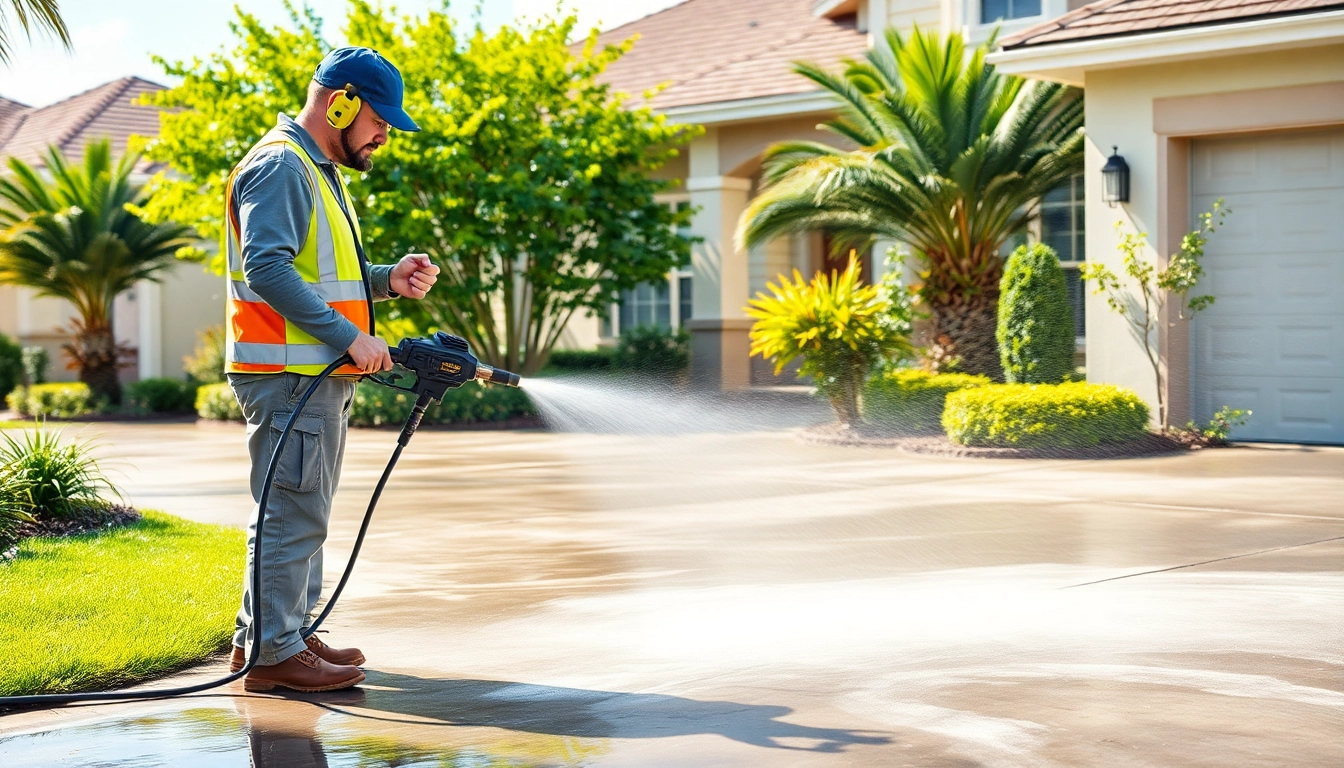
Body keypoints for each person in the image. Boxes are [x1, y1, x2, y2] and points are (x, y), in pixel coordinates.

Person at [223, 46, 439, 692]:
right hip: (291, 374)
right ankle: (273, 654)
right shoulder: (283, 166)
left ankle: (273, 634)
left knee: (299, 511)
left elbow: (317, 274)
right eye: (379, 120)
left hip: (309, 372)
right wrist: (350, 336)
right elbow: (268, 269)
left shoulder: (314, 170)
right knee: (292, 514)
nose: (383, 136)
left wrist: (387, 280)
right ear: (341, 103)